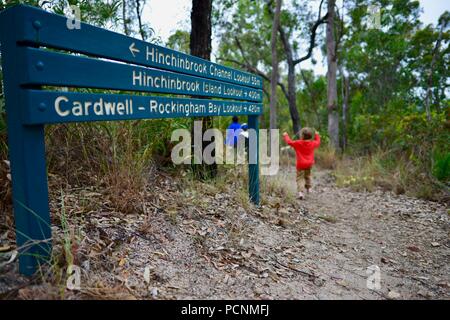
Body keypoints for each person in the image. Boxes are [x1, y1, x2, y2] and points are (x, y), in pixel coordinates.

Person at [283, 128, 320, 199]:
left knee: (300, 178)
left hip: (300, 164)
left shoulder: (298, 143)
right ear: (310, 136)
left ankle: (300, 193)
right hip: (309, 164)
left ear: (302, 136)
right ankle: (308, 188)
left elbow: (289, 142)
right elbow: (318, 142)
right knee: (308, 176)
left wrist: (286, 135)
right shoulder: (313, 143)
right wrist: (317, 135)